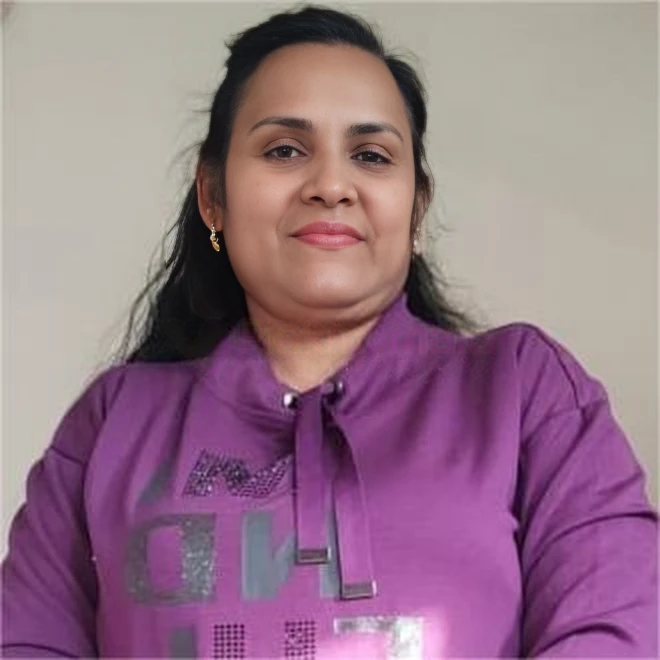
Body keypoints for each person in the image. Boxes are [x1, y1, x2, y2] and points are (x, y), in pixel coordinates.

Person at [2, 4, 657, 658]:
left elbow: (615, 634)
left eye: (371, 155)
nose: (332, 185)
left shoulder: (523, 393)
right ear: (213, 197)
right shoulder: (114, 421)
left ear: (416, 207)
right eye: (284, 150)